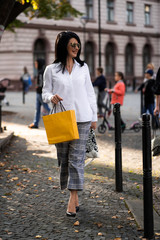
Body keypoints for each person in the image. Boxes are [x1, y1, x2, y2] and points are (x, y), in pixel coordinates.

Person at [42, 31, 97, 217]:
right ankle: (75, 195)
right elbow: (45, 92)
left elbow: (90, 92)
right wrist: (52, 97)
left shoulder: (83, 67)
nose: (76, 48)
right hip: (63, 118)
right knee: (64, 159)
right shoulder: (51, 69)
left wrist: (94, 117)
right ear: (64, 45)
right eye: (73, 44)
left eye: (78, 45)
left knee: (76, 159)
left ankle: (72, 200)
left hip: (82, 117)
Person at [28, 59, 50, 129]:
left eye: (36, 63)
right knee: (37, 109)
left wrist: (38, 88)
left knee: (47, 108)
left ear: (39, 64)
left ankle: (57, 118)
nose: (35, 65)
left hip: (40, 93)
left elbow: (41, 83)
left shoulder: (41, 72)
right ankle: (35, 123)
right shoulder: (40, 71)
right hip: (38, 93)